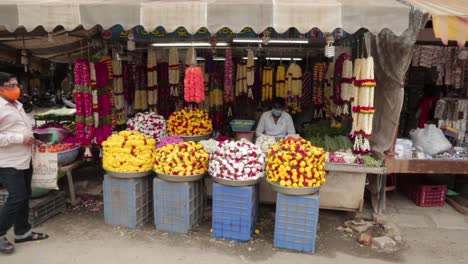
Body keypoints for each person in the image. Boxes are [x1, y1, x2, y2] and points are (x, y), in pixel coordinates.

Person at [0, 72, 48, 254]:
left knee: (25, 194)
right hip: (7, 161)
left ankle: (22, 232)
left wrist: (33, 139)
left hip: (24, 158)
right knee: (17, 196)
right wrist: (20, 138)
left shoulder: (17, 104)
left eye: (16, 84)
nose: (16, 88)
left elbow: (21, 128)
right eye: (11, 85)